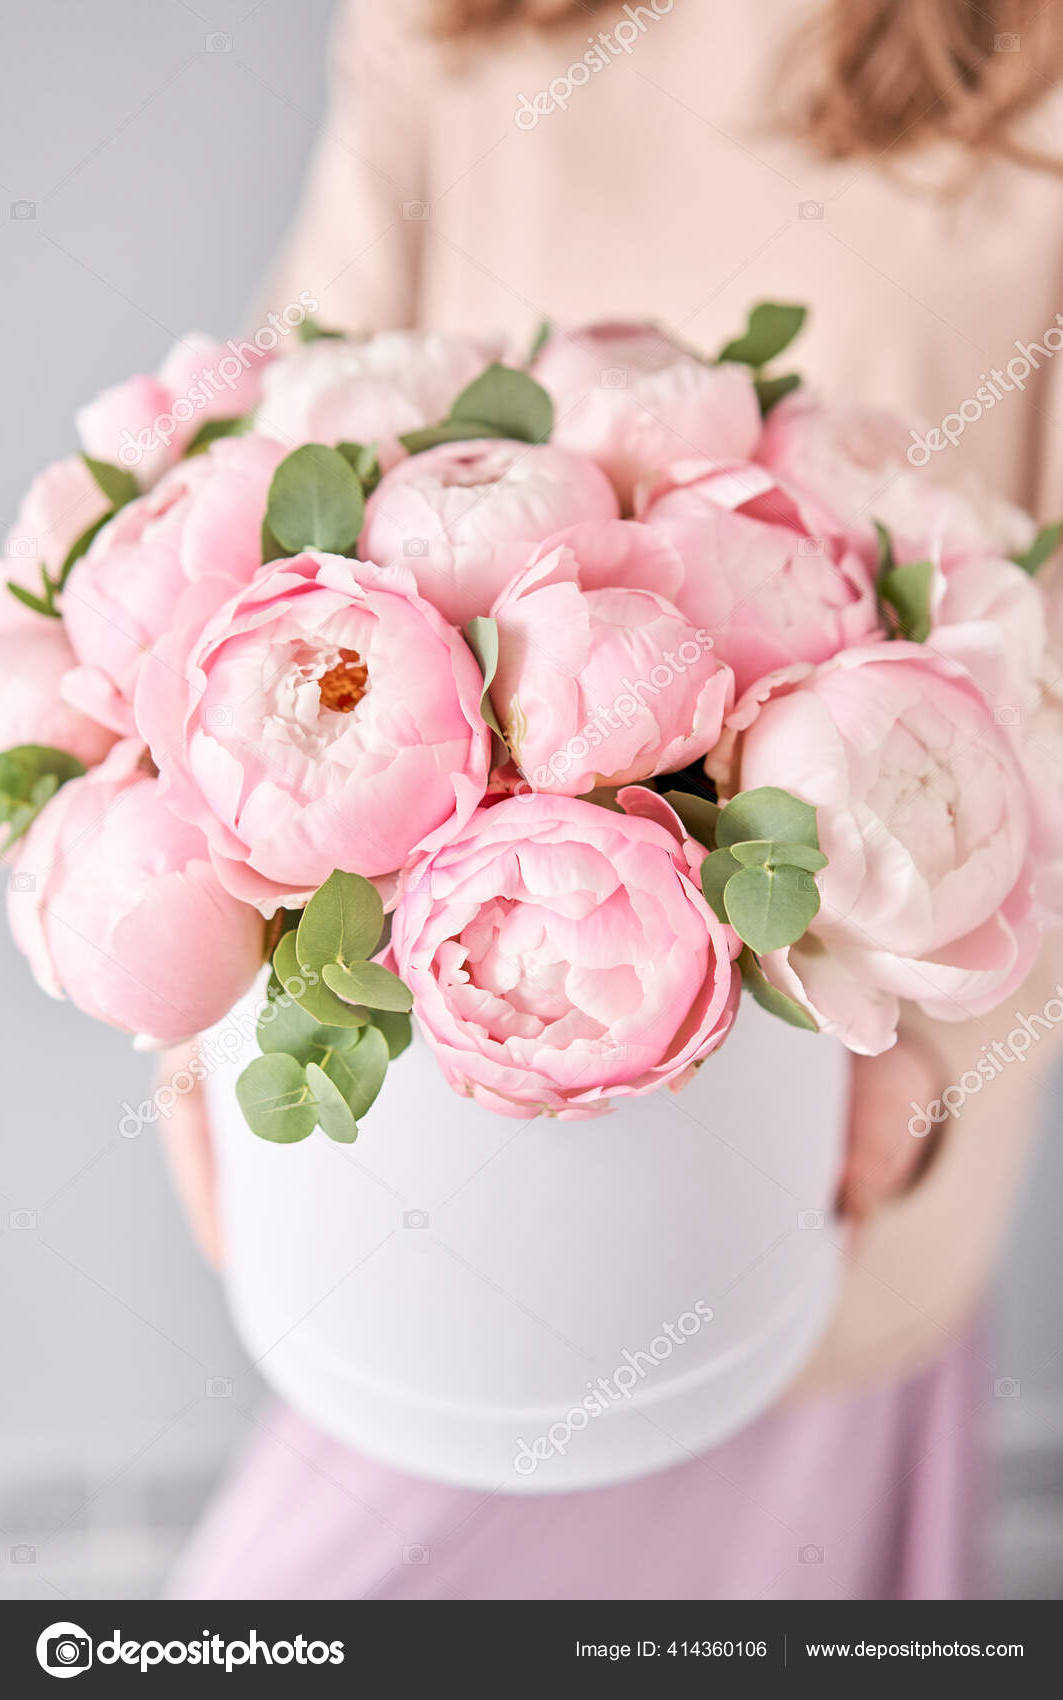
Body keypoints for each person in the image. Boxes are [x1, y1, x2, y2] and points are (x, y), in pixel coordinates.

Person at [164, 0, 1063, 1599]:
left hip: (823, 1161)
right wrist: (192, 1014)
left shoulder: (1030, 92)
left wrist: (915, 1083)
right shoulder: (445, 31)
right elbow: (246, 484)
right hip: (440, 1165)